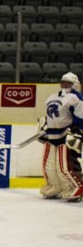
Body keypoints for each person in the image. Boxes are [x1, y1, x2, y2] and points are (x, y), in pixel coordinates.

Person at [39, 72, 83, 202]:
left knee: (64, 166)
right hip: (52, 134)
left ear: (75, 84)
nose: (64, 85)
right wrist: (44, 124)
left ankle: (76, 186)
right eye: (63, 82)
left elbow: (80, 118)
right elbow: (51, 115)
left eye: (68, 83)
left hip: (67, 135)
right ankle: (55, 186)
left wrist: (77, 130)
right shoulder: (52, 96)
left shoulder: (76, 98)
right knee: (48, 165)